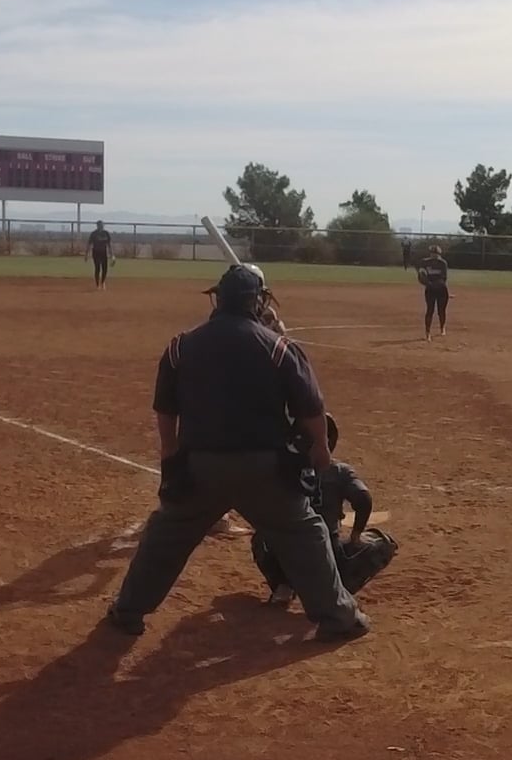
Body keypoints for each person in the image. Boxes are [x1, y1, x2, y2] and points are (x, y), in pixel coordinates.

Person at [105, 263, 368, 641]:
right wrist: (322, 453)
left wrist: (171, 455)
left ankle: (128, 612)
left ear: (218, 299)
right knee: (303, 533)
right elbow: (312, 409)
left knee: (166, 536)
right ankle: (339, 617)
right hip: (266, 469)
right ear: (257, 301)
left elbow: (165, 409)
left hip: (200, 466)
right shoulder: (279, 348)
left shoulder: (181, 346)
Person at [254, 413, 398, 606]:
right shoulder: (340, 471)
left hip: (289, 552)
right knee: (384, 542)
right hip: (328, 552)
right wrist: (356, 536)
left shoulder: (283, 469)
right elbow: (363, 499)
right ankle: (337, 589)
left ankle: (283, 585)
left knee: (262, 537)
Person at [417, 245, 450, 340]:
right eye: (432, 253)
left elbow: (444, 278)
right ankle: (427, 332)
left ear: (439, 254)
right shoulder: (424, 262)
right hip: (430, 290)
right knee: (430, 310)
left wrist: (434, 284)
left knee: (441, 310)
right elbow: (421, 276)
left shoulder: (442, 263)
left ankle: (442, 327)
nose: (434, 255)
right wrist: (427, 283)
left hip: (441, 289)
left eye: (436, 253)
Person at [86, 221, 114, 289]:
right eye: (100, 225)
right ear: (97, 226)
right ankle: (97, 284)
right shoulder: (94, 234)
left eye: (102, 225)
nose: (101, 226)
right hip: (96, 253)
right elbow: (89, 244)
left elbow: (109, 245)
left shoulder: (106, 233)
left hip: (103, 253)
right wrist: (86, 254)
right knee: (97, 268)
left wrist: (112, 255)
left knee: (105, 269)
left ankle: (103, 282)